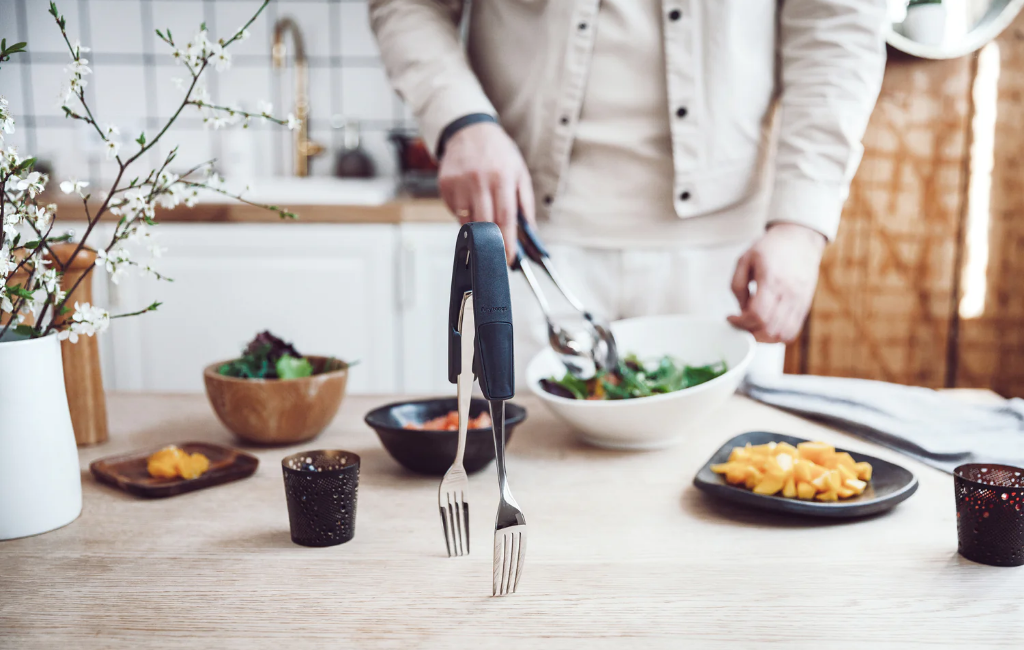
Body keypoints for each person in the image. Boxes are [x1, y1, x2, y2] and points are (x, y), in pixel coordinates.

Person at [370, 0, 887, 377]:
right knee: (528, 487)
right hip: (526, 242)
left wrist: (801, 223)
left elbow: (837, 26)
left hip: (723, 261)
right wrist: (463, 121)